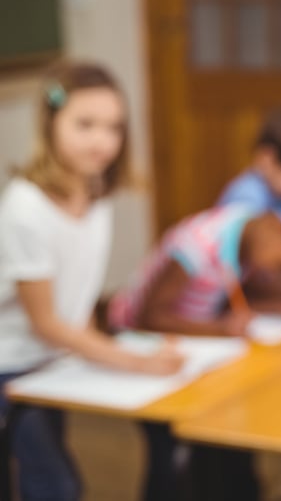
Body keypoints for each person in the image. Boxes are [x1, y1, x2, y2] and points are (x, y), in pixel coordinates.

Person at [0, 61, 184, 501]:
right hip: (13, 367)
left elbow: (76, 311)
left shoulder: (95, 193)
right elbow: (47, 322)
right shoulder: (25, 209)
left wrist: (140, 347)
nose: (102, 141)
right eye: (85, 125)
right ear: (51, 124)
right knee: (56, 485)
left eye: (113, 128)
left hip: (52, 363)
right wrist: (135, 362)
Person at [107, 189, 281, 336]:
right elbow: (150, 318)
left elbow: (237, 294)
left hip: (192, 341)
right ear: (275, 226)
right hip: (137, 339)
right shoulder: (198, 245)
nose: (278, 274)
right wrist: (219, 330)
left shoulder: (249, 233)